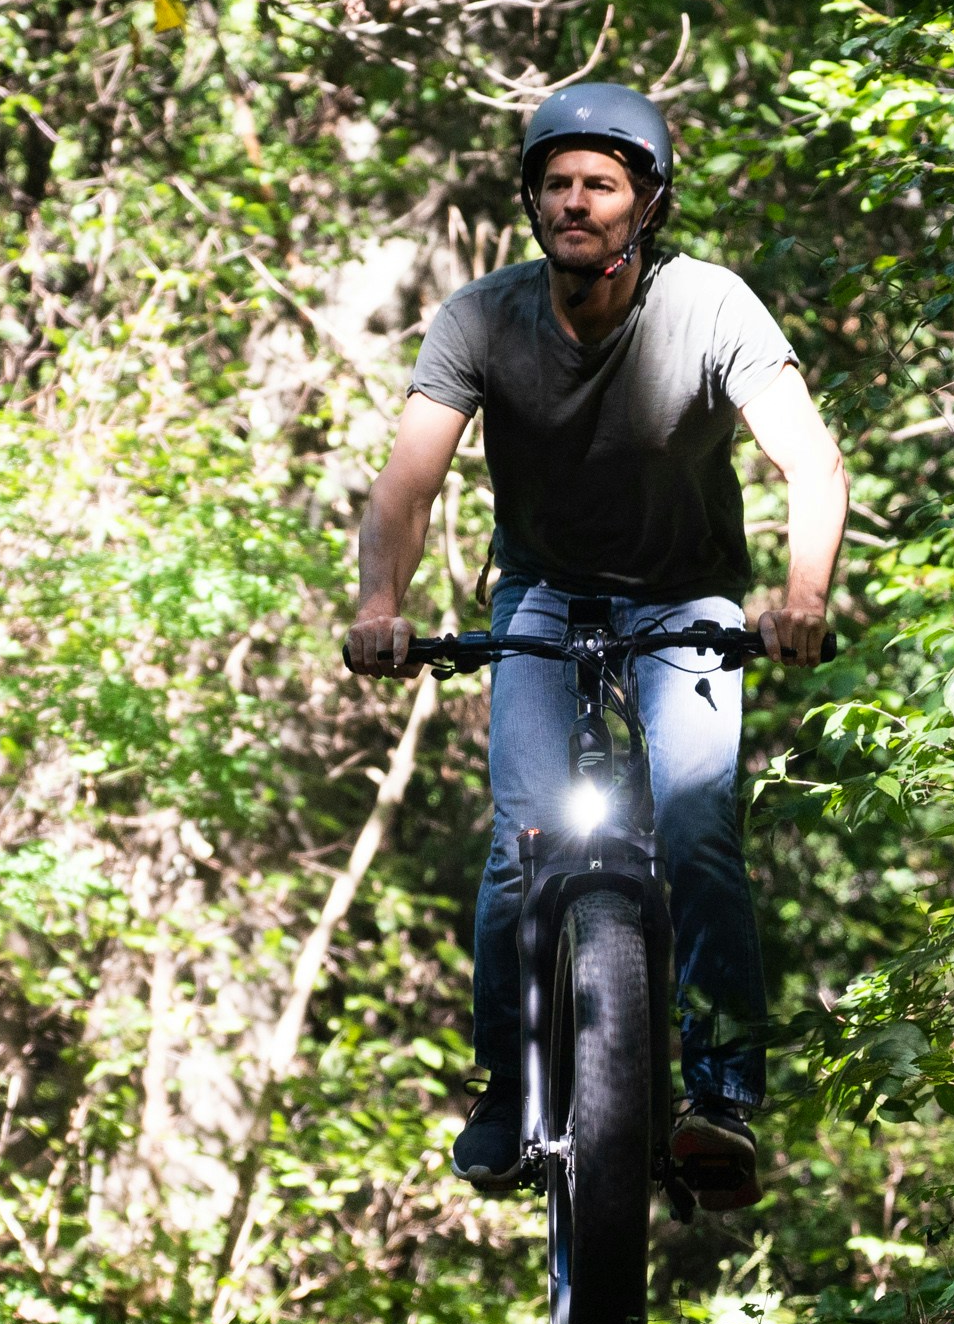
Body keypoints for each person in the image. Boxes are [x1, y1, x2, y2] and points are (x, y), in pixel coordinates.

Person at [341, 84, 850, 1211]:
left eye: (600, 185)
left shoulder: (711, 308)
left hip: (685, 604)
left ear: (646, 203)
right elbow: (407, 481)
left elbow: (810, 466)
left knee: (695, 819)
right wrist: (382, 602)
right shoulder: (479, 318)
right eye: (555, 183)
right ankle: (506, 1083)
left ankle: (718, 1095)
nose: (574, 203)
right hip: (541, 594)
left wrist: (800, 595)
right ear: (530, 198)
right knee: (521, 835)